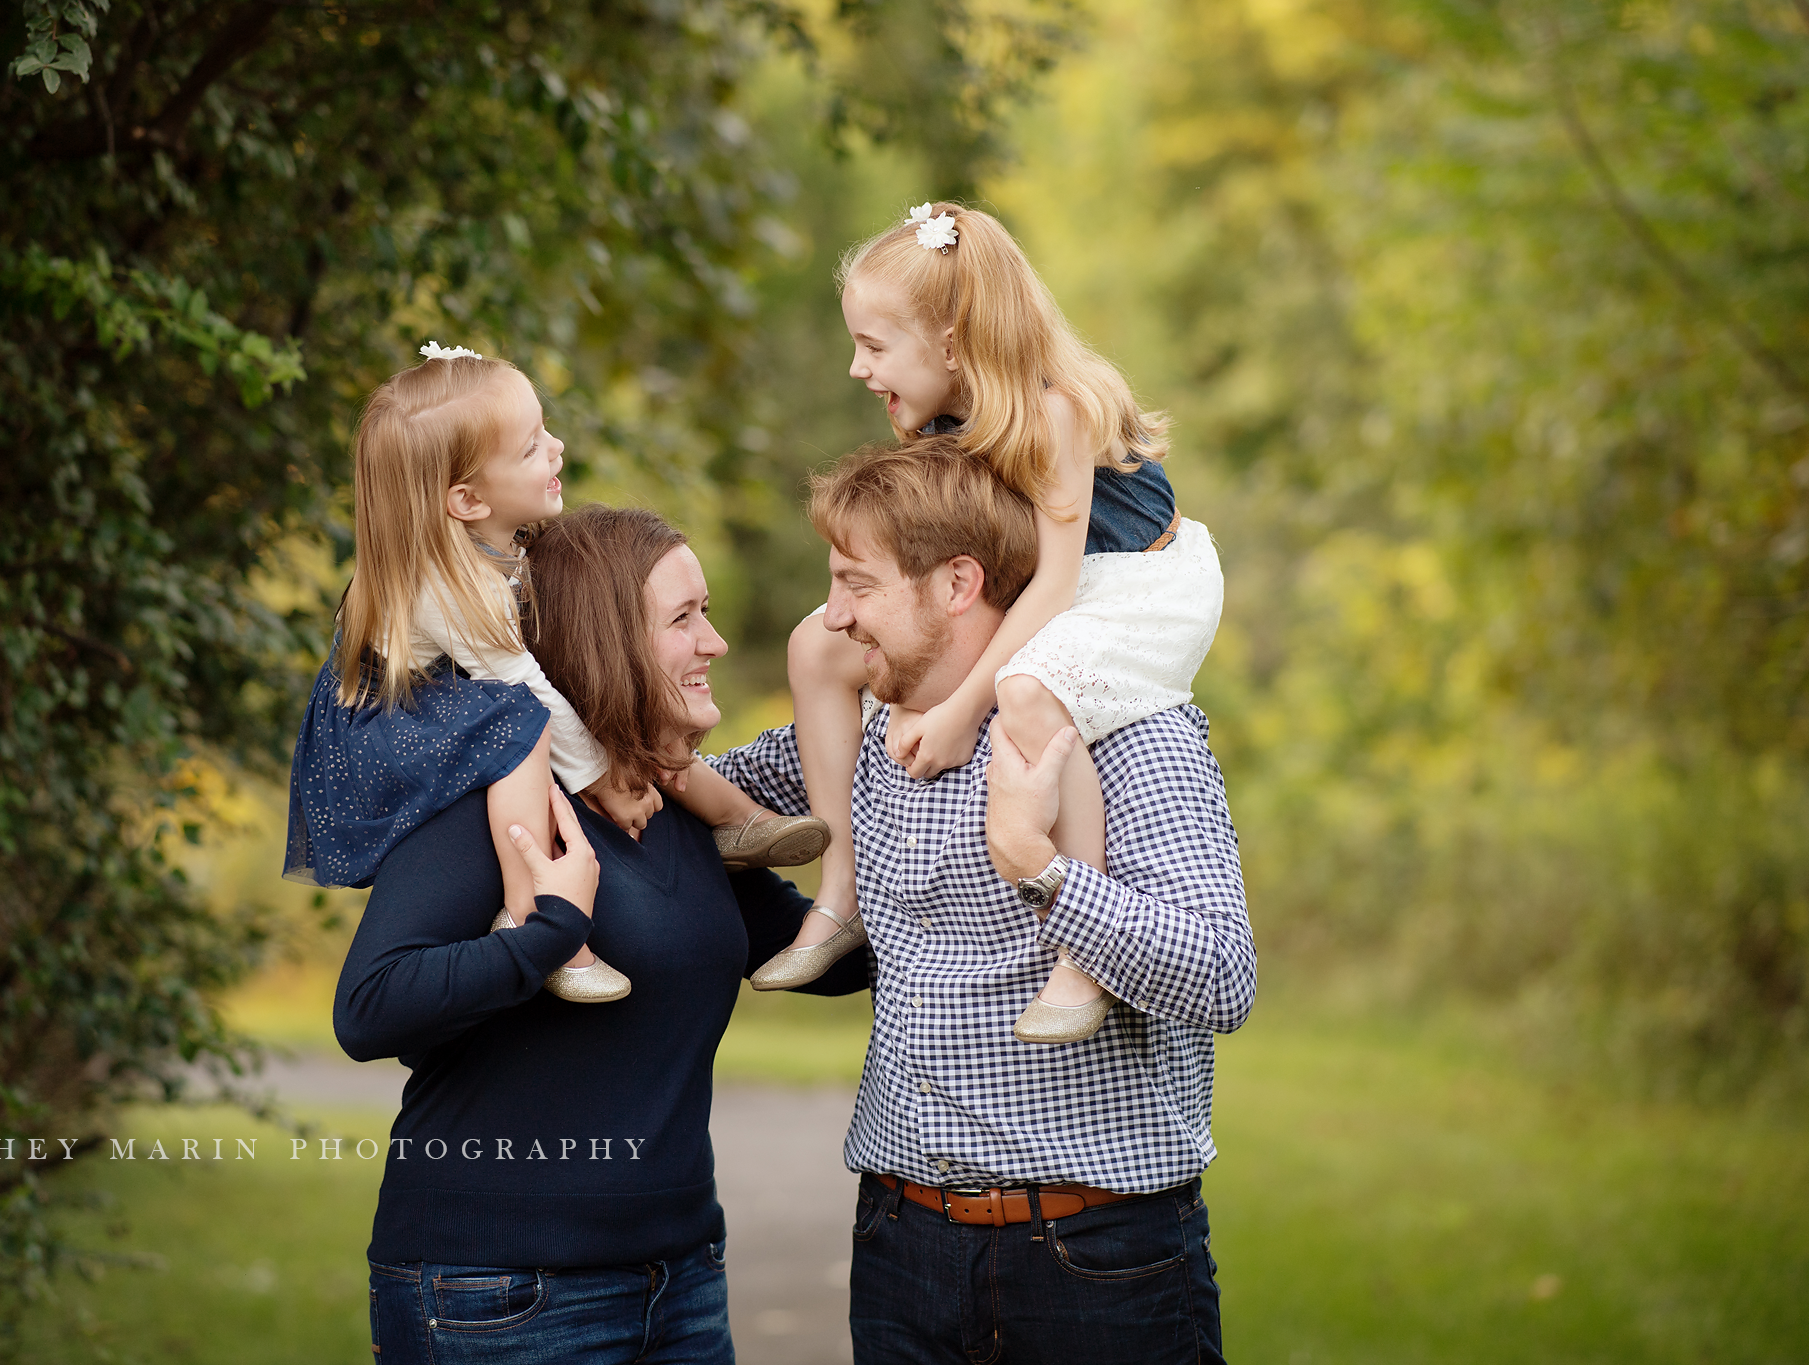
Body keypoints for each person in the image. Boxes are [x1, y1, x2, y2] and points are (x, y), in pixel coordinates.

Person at [706, 439, 1253, 1363]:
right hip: (899, 1245)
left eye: (856, 584)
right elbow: (698, 799)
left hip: (1096, 1265)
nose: (832, 618)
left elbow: (1220, 976)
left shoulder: (1128, 730)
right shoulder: (859, 729)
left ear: (958, 582)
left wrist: (1038, 866)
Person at [336, 504, 867, 1364]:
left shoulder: (674, 809)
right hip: (500, 1291)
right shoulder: (493, 804)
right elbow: (369, 1011)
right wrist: (547, 930)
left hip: (681, 1277)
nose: (716, 642)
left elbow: (828, 958)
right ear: (603, 639)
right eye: (685, 618)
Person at [727, 203, 1225, 1045]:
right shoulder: (940, 422)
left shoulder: (1055, 411)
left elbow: (1057, 587)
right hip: (1040, 584)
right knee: (815, 644)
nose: (858, 368)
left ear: (952, 342)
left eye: (875, 348)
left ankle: (1084, 953)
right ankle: (839, 894)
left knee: (1031, 690)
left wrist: (960, 711)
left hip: (1134, 582)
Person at [285, 344, 824, 1003]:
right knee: (520, 729)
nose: (557, 449)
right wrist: (604, 779)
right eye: (531, 446)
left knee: (625, 712)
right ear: (466, 498)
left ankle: (741, 822)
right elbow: (529, 693)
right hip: (394, 732)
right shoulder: (450, 589)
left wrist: (619, 744)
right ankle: (538, 912)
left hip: (456, 703)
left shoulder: (497, 545)